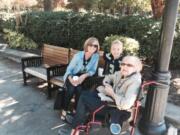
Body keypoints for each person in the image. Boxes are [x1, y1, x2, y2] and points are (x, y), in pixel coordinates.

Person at [70, 55, 143, 135]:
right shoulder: (120, 73)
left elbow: (125, 104)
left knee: (84, 99)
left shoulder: (135, 82)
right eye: (123, 64)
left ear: (136, 68)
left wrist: (111, 93)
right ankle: (80, 120)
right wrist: (107, 84)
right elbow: (108, 77)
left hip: (116, 110)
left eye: (129, 65)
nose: (125, 66)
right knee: (85, 93)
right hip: (110, 101)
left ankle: (75, 129)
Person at [61, 37, 100, 120]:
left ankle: (75, 110)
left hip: (84, 78)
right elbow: (69, 69)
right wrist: (70, 78)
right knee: (71, 89)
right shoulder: (78, 56)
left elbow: (93, 71)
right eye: (91, 45)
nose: (93, 47)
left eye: (95, 46)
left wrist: (84, 75)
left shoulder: (96, 56)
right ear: (87, 45)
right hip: (72, 75)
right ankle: (64, 109)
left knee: (79, 89)